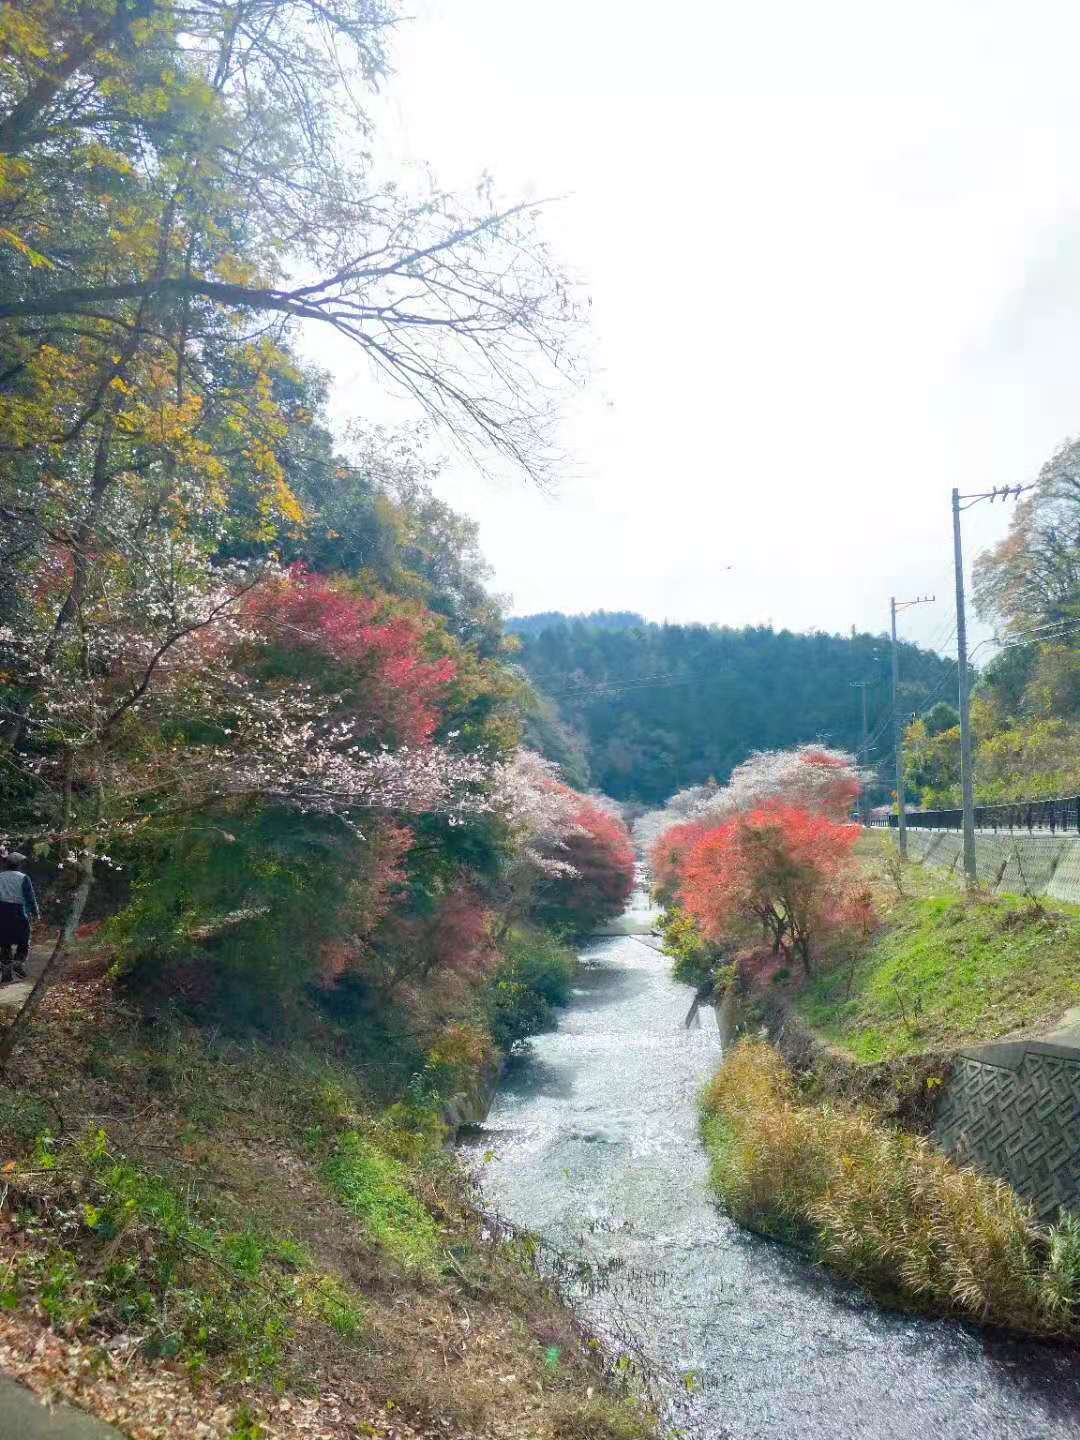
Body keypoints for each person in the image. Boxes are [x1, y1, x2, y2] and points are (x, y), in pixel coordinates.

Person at [0, 852, 40, 984]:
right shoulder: (24, 877)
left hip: (2, 911)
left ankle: (6, 972)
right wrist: (35, 913)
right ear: (18, 865)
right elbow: (30, 897)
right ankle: (18, 962)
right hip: (19, 911)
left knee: (4, 941)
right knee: (23, 939)